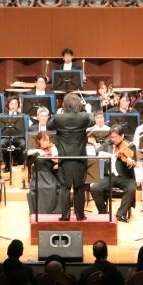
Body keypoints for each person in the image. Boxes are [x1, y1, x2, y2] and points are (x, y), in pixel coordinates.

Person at [48, 92, 95, 221]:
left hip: (65, 158)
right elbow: (92, 122)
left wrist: (59, 113)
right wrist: (88, 110)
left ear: (65, 104)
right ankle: (80, 216)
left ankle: (65, 216)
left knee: (65, 187)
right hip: (80, 157)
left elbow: (49, 125)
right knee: (79, 186)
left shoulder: (59, 118)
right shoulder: (84, 116)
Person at [90, 127, 137, 222]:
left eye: (116, 137)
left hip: (125, 177)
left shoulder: (130, 146)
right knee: (94, 187)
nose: (113, 139)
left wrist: (130, 161)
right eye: (112, 137)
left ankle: (121, 213)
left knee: (131, 188)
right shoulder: (107, 144)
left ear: (122, 136)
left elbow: (134, 161)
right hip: (109, 176)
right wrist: (100, 153)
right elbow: (97, 153)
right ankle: (103, 213)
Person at [26, 131, 60, 214]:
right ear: (39, 141)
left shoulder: (53, 149)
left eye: (47, 140)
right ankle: (40, 212)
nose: (46, 142)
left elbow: (57, 160)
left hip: (50, 175)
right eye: (43, 140)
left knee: (53, 187)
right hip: (39, 175)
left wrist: (51, 154)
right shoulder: (36, 151)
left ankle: (53, 211)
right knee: (40, 188)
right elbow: (26, 152)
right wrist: (38, 151)